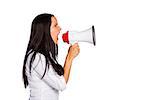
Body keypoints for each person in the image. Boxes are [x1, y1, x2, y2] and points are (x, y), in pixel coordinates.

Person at [22, 13, 80, 100]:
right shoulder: (37, 57)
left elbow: (60, 79)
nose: (60, 28)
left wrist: (69, 56)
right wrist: (70, 57)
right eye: (55, 25)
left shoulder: (46, 56)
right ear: (45, 30)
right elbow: (61, 85)